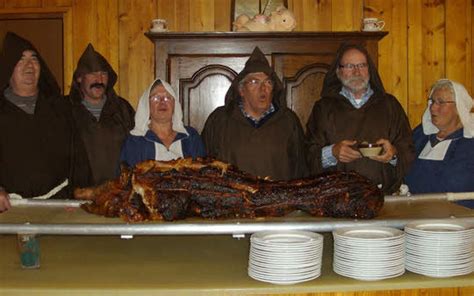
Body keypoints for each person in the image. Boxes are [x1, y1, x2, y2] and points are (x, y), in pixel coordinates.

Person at [306, 43, 414, 194]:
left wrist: (393, 153)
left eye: (362, 65)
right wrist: (332, 153)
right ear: (338, 71)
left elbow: (408, 149)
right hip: (337, 200)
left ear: (369, 70)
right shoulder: (323, 108)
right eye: (350, 66)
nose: (357, 71)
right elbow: (307, 155)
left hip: (383, 198)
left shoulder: (390, 105)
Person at [201, 47, 307, 180]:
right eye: (254, 82)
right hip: (232, 199)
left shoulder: (289, 121)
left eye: (268, 82)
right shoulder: (219, 120)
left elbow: (301, 170)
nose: (263, 88)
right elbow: (205, 167)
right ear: (241, 90)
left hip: (278, 199)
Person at [0, 32, 73, 212]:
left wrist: (76, 195)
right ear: (9, 67)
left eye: (34, 58)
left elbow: (77, 156)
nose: (29, 65)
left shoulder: (60, 108)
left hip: (58, 206)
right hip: (9, 209)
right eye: (21, 59)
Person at [67, 44, 135, 187]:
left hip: (118, 193)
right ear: (79, 78)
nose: (99, 79)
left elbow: (136, 149)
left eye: (103, 74)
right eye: (93, 74)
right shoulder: (65, 110)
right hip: (78, 195)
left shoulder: (123, 109)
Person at [405, 79, 474, 208]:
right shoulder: (420, 135)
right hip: (416, 215)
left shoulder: (470, 142)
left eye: (441, 102)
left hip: (462, 219)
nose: (433, 108)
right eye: (432, 101)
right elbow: (402, 162)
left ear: (459, 107)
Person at [120, 78, 205, 167]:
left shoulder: (191, 137)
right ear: (147, 104)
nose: (162, 102)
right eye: (156, 98)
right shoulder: (135, 141)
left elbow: (204, 172)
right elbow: (128, 177)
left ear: (174, 104)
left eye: (167, 97)